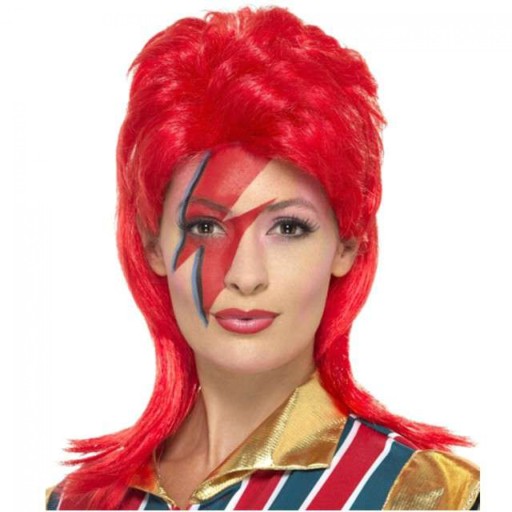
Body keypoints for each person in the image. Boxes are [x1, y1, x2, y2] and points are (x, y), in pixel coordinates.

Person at [46, 6, 479, 510]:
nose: (245, 276)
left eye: (288, 228)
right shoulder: (80, 501)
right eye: (205, 227)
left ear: (347, 244)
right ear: (153, 245)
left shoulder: (423, 495)